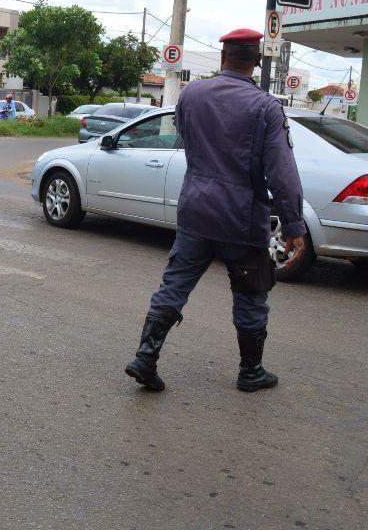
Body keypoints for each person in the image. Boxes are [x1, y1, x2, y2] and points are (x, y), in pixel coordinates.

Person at [124, 28, 305, 393]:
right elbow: (281, 171)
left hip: (195, 211)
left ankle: (146, 357)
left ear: (222, 57)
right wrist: (293, 225)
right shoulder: (266, 107)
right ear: (256, 62)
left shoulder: (191, 94)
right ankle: (250, 372)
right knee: (251, 294)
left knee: (174, 285)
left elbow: (186, 137)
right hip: (241, 219)